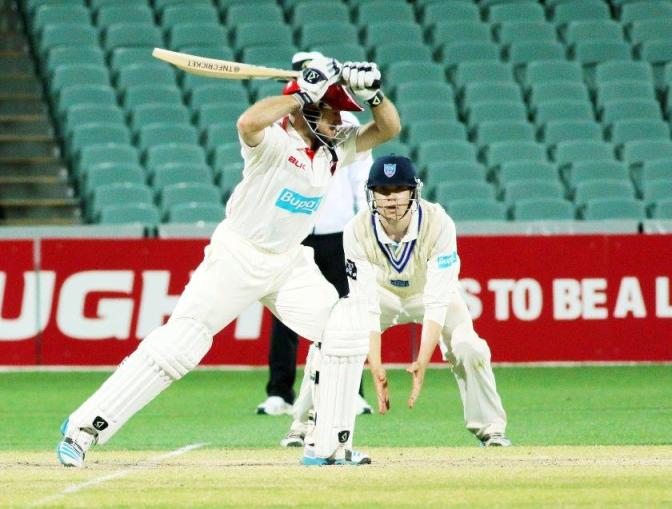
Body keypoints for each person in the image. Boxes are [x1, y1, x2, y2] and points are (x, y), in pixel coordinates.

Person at [57, 56, 401, 468]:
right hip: (238, 256)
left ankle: (327, 445)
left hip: (288, 263)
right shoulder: (273, 141)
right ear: (309, 112)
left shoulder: (333, 152)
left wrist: (373, 93)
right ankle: (82, 430)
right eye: (333, 115)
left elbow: (388, 128)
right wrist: (300, 94)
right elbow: (247, 123)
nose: (341, 124)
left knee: (344, 328)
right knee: (180, 346)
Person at [280, 155, 511, 448]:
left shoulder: (438, 222)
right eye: (383, 192)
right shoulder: (356, 229)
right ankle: (303, 425)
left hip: (429, 294)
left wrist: (422, 362)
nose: (391, 199)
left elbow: (438, 300)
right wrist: (375, 365)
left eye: (399, 190)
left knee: (470, 347)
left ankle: (491, 429)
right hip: (382, 295)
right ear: (372, 193)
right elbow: (365, 302)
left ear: (413, 191)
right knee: (330, 338)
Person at [256, 111, 375, 420]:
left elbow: (361, 176)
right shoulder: (283, 121)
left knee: (346, 313)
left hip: (339, 232)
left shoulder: (344, 120)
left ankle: (352, 393)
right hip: (294, 231)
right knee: (284, 314)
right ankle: (279, 394)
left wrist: (362, 227)